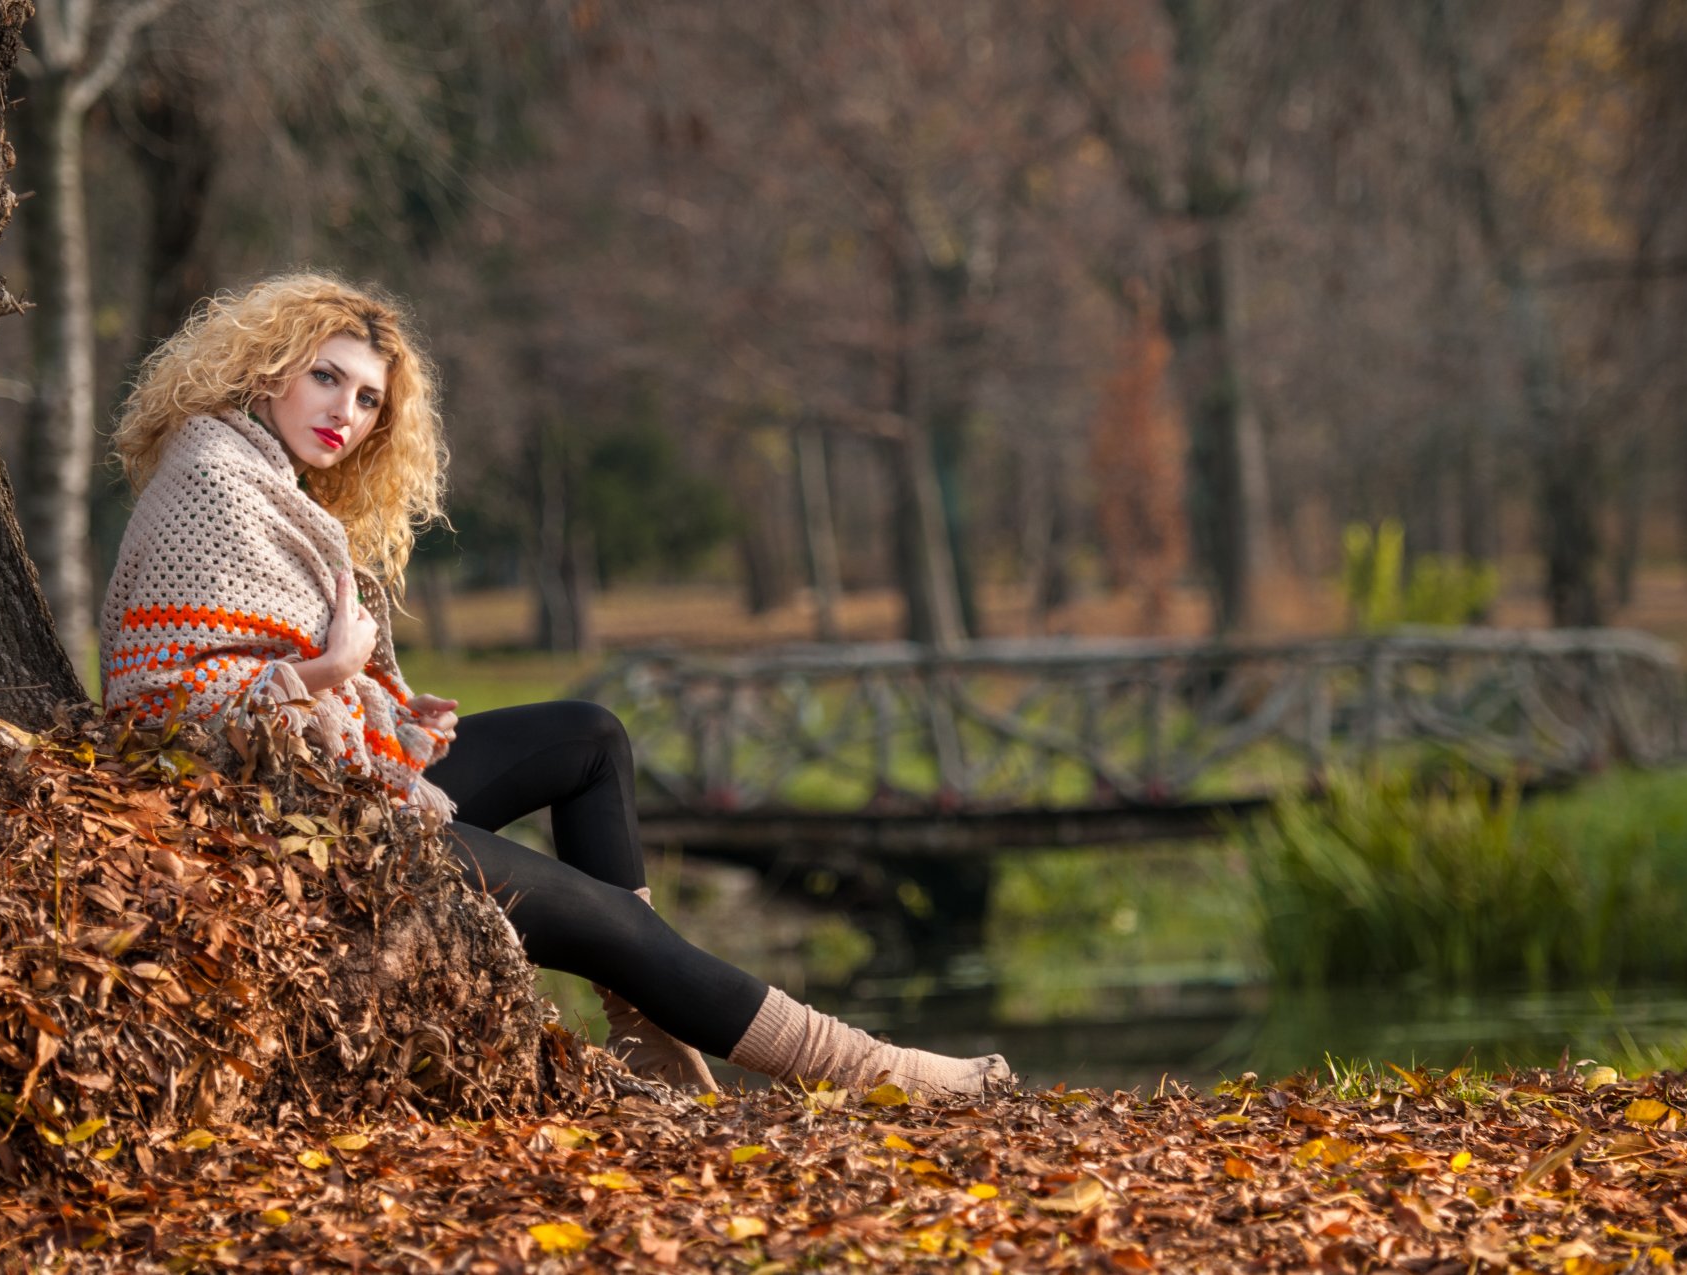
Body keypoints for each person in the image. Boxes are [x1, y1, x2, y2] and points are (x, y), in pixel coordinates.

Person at [99, 272, 1010, 1099]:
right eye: (327, 378)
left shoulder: (268, 481)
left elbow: (261, 671)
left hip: (333, 791)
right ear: (270, 369)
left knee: (586, 738)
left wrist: (387, 715)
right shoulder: (216, 479)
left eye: (371, 397)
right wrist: (334, 673)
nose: (349, 411)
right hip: (279, 832)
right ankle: (881, 1074)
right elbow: (168, 705)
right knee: (617, 924)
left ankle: (653, 1045)